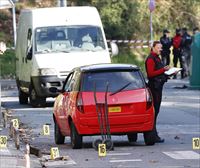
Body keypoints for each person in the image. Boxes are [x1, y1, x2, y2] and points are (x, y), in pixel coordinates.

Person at [145, 41, 170, 143]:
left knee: (156, 111)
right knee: (154, 112)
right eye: (159, 47)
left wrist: (168, 73)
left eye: (161, 48)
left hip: (158, 87)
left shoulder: (156, 57)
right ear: (153, 48)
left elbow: (158, 72)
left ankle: (154, 134)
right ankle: (152, 135)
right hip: (154, 88)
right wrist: (163, 70)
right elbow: (150, 74)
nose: (160, 49)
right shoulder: (151, 59)